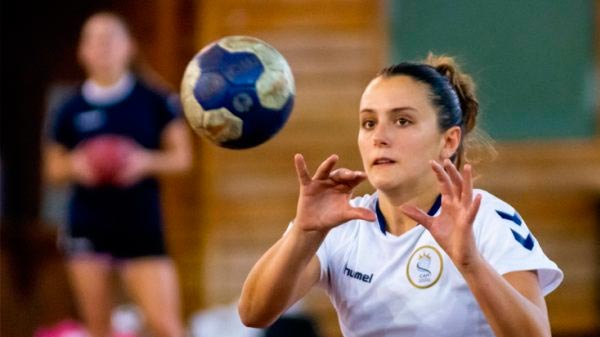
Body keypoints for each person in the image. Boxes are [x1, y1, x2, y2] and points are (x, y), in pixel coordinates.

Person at [238, 54, 563, 337]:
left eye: (402, 121)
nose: (379, 136)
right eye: (368, 123)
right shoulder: (342, 225)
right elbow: (253, 313)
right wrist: (304, 231)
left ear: (449, 141)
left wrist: (470, 263)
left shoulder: (485, 218)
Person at [44, 12, 192, 337]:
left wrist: (142, 161)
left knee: (166, 325)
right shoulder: (69, 108)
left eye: (110, 38)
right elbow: (52, 168)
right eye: (93, 40)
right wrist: (78, 165)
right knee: (99, 328)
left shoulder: (155, 99)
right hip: (88, 224)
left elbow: (182, 158)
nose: (102, 47)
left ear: (129, 47)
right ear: (82, 52)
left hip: (140, 224)